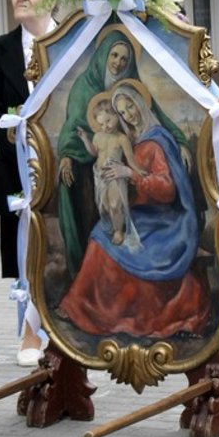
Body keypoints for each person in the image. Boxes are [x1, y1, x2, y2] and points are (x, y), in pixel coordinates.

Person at [59, 80, 211, 337]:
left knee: (110, 242)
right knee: (99, 234)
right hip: (141, 212)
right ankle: (84, 307)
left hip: (167, 219)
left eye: (130, 105)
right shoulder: (130, 138)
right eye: (121, 111)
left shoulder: (157, 140)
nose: (128, 113)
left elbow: (167, 190)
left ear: (140, 103)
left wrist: (131, 174)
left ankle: (119, 314)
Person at [57, 29, 189, 277]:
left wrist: (179, 141)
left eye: (124, 59)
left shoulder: (130, 90)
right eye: (114, 55)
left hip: (134, 187)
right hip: (93, 175)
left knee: (115, 210)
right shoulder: (83, 87)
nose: (118, 63)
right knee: (100, 212)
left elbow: (156, 117)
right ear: (103, 55)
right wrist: (66, 153)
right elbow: (72, 128)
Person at [0, 0, 61, 367]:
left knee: (68, 247)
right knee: (26, 252)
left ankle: (69, 326)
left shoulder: (75, 40)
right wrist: (19, 137)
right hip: (19, 169)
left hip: (68, 167)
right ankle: (30, 332)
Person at [76, 94, 145, 247]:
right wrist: (85, 139)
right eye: (101, 124)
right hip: (99, 176)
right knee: (106, 205)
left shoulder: (122, 138)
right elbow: (94, 153)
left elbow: (130, 160)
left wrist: (139, 171)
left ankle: (118, 231)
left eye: (108, 121)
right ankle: (115, 227)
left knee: (115, 204)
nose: (105, 127)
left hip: (115, 174)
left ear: (116, 116)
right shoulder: (98, 136)